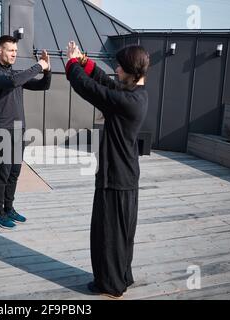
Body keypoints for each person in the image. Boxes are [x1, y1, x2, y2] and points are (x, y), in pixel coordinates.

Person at [65, 41, 149, 299]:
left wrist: (70, 65)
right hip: (125, 177)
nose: (115, 70)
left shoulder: (126, 101)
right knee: (121, 234)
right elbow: (106, 82)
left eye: (119, 67)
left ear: (130, 71)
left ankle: (111, 286)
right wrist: (84, 63)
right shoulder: (136, 94)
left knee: (108, 235)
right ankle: (121, 276)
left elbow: (90, 89)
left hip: (115, 178)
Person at [0, 35, 51, 229]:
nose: (14, 54)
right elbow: (13, 81)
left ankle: (9, 208)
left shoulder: (15, 74)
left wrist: (47, 70)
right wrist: (39, 65)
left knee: (14, 172)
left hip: (18, 130)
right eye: (10, 50)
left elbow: (42, 85)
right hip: (2, 130)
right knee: (2, 173)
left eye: (15, 51)